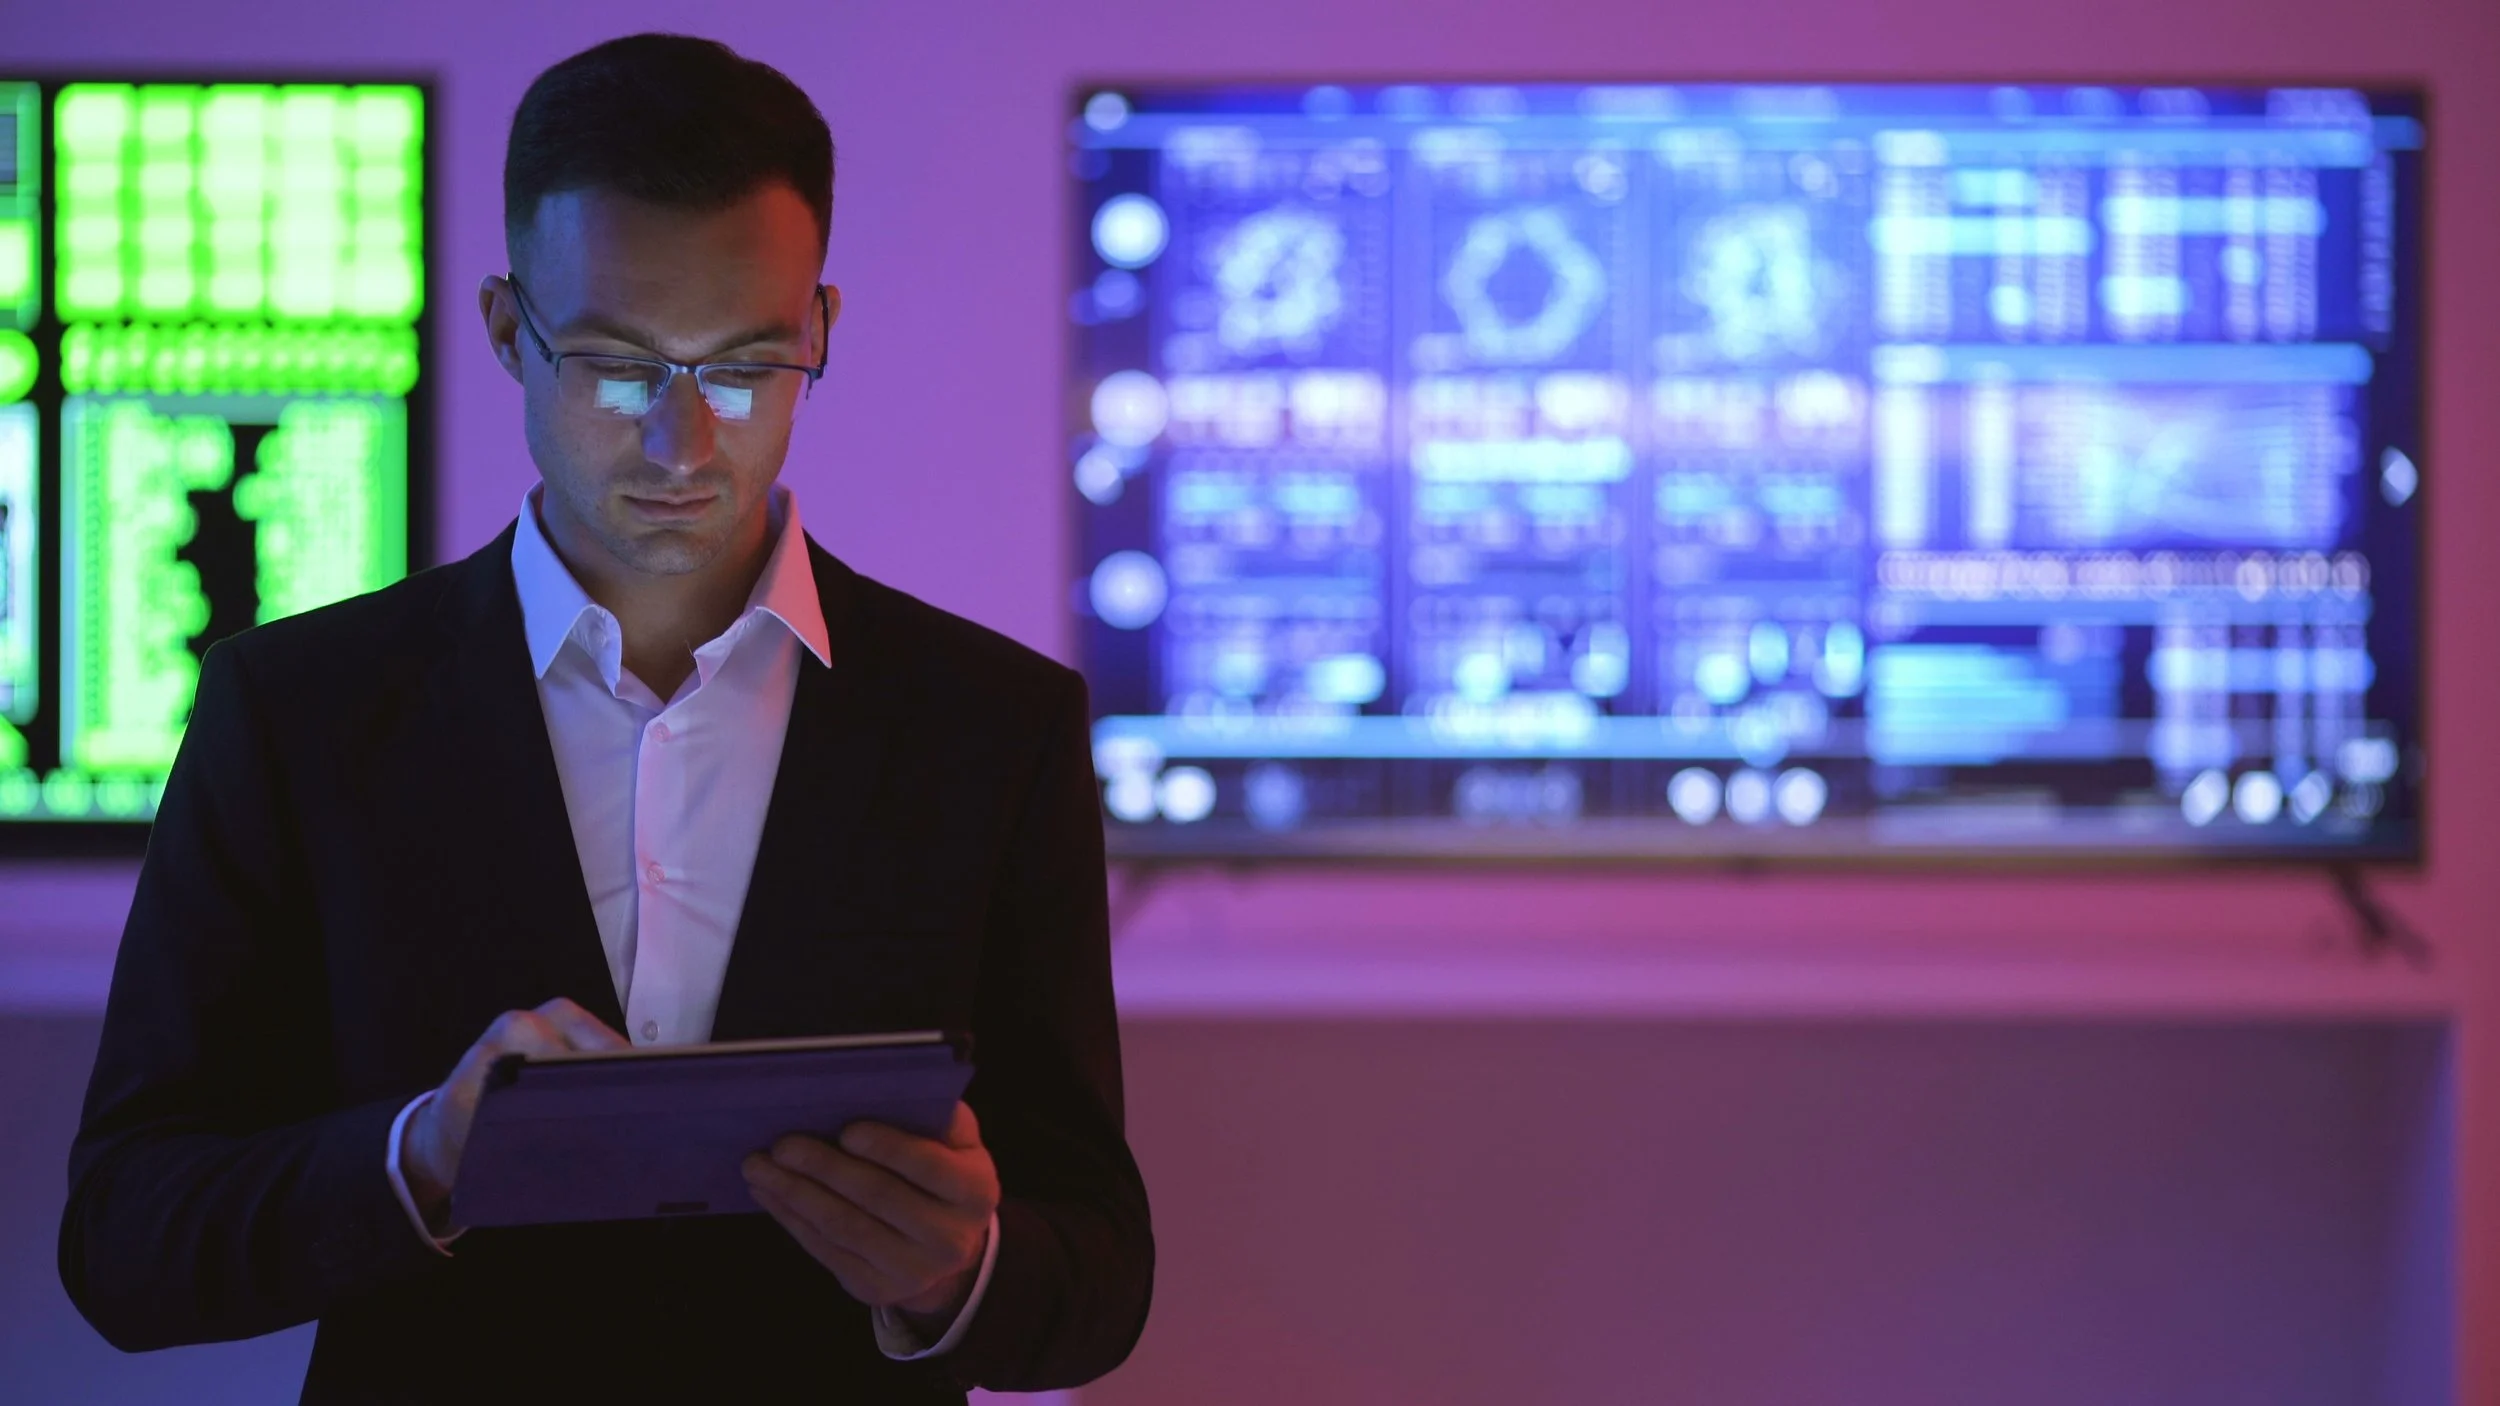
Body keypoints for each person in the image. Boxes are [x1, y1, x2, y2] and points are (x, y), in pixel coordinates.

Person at [58, 32, 1151, 1403]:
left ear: (820, 329)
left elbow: (1103, 1268)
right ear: (509, 331)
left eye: (746, 364)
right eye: (617, 366)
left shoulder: (995, 728)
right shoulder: (298, 713)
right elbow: (123, 1238)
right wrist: (423, 1157)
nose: (683, 443)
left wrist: (957, 1270)